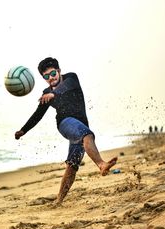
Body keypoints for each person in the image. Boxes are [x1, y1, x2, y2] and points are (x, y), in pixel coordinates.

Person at [15, 57, 117, 204]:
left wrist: (54, 94)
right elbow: (38, 115)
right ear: (43, 78)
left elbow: (67, 86)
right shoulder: (46, 93)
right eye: (46, 76)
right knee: (87, 135)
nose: (51, 78)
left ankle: (58, 200)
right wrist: (23, 130)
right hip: (65, 123)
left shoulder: (71, 78)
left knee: (72, 165)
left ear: (59, 71)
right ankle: (101, 164)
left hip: (80, 124)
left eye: (53, 74)